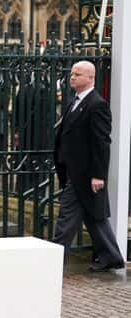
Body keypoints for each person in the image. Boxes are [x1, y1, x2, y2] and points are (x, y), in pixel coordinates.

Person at [53, 60, 124, 272]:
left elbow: (101, 143)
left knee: (66, 218)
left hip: (83, 174)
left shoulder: (97, 104)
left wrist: (98, 175)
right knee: (94, 216)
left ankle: (54, 259)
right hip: (73, 170)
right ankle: (111, 256)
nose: (72, 77)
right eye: (72, 73)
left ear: (90, 78)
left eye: (78, 74)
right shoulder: (74, 101)